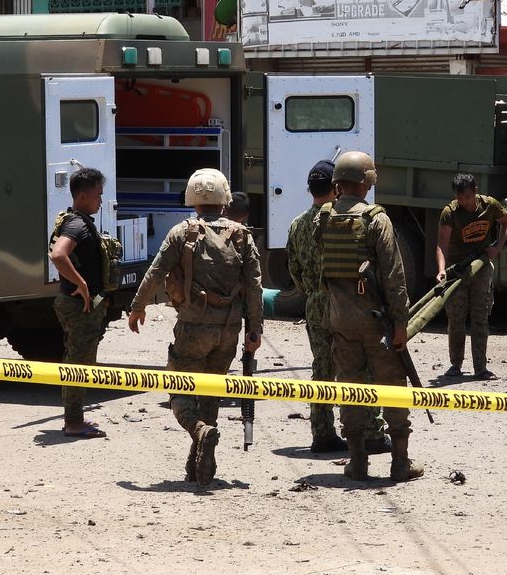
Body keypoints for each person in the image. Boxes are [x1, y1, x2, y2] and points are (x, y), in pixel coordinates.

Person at [128, 168, 262, 487]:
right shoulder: (243, 235)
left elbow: (156, 272)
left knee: (179, 390)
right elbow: (255, 285)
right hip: (228, 331)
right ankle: (201, 463)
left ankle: (200, 432)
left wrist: (137, 307)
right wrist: (254, 330)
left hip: (192, 328)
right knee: (211, 393)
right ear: (224, 200)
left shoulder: (181, 233)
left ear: (192, 199)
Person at [315, 151, 423, 482]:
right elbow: (393, 276)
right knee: (392, 387)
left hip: (339, 319)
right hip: (376, 321)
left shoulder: (324, 217)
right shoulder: (376, 220)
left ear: (337, 184)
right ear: (366, 182)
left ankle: (357, 461)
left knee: (349, 388)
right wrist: (401, 323)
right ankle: (400, 462)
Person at [286, 160, 389, 454]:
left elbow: (293, 268)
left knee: (322, 367)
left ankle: (322, 432)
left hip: (316, 305)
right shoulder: (343, 218)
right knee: (361, 367)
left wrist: (312, 292)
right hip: (348, 304)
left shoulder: (297, 224)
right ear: (336, 187)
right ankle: (371, 432)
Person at [47, 167, 110, 440]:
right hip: (77, 306)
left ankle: (75, 417)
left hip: (77, 305)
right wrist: (81, 284)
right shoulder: (77, 224)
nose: (100, 200)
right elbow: (58, 255)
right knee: (79, 363)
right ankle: (73, 422)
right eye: (97, 195)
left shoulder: (77, 219)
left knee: (78, 359)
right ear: (83, 196)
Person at [435, 173, 507, 379]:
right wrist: (442, 269)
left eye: (468, 198)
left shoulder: (490, 205)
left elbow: (506, 221)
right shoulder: (449, 213)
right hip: (457, 271)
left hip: (481, 268)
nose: (464, 202)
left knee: (480, 318)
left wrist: (497, 247)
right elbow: (442, 245)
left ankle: (480, 368)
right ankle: (455, 365)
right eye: (460, 198)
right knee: (456, 318)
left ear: (475, 192)